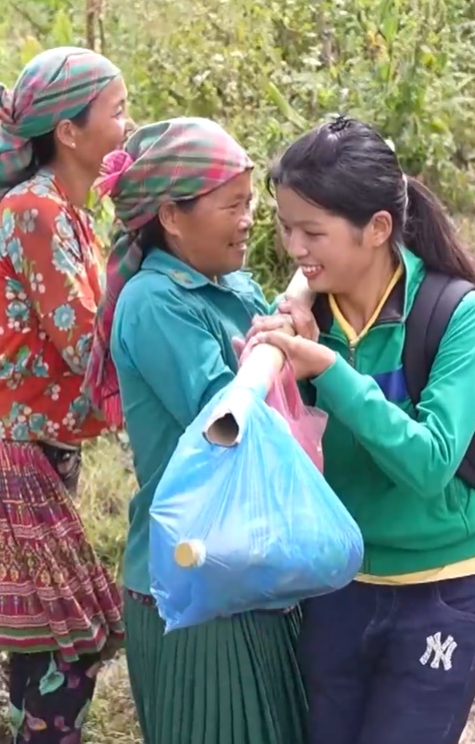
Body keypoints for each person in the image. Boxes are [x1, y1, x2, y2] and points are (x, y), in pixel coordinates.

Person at [247, 114, 475, 744]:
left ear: (378, 228)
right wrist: (279, 377)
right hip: (339, 577)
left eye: (313, 232)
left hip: (445, 580)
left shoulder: (461, 316)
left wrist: (329, 371)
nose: (294, 248)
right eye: (285, 226)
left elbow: (430, 464)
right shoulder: (306, 319)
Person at [0, 46, 129, 744]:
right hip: (2, 442)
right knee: (73, 639)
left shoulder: (69, 210)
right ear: (68, 131)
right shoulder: (36, 211)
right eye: (118, 111)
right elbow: (86, 344)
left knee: (47, 638)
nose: (128, 126)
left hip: (23, 438)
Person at [84, 116, 308, 744]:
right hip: (194, 577)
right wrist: (285, 353)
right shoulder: (155, 302)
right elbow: (226, 424)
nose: (248, 220)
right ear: (172, 217)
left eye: (250, 204)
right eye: (231, 206)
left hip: (255, 559)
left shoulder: (231, 284)